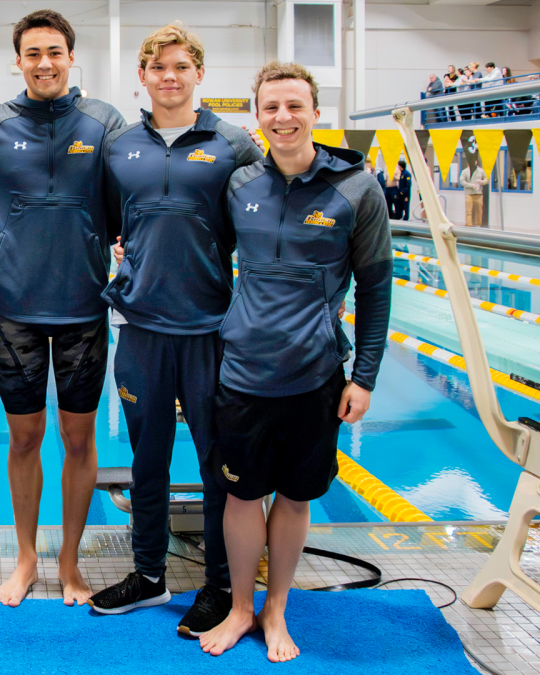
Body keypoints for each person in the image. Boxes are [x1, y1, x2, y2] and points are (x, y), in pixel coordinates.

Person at [199, 60, 391, 663]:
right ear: (257, 117)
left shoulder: (357, 188)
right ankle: (240, 608)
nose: (283, 118)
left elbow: (377, 288)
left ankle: (277, 608)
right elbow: (203, 253)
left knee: (296, 496)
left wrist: (363, 377)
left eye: (294, 106)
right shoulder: (239, 185)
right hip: (242, 373)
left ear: (314, 112)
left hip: (313, 375)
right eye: (271, 108)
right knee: (239, 495)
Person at [0, 9, 126, 608]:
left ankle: (69, 564)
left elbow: (136, 194)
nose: (45, 62)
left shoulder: (105, 123)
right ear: (17, 61)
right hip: (16, 309)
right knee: (23, 439)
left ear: (72, 58)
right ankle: (26, 560)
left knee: (78, 440)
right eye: (33, 53)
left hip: (82, 310)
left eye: (55, 52)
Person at [89, 23, 264, 635]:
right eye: (157, 66)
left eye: (181, 65)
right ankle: (149, 575)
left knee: (220, 464)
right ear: (142, 75)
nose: (169, 75)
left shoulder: (235, 144)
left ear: (198, 74)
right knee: (146, 461)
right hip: (140, 328)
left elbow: (264, 229)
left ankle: (219, 584)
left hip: (210, 330)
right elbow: (113, 221)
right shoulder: (119, 147)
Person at [460, 162, 488, 227]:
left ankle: (478, 224)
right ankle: (468, 225)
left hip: (478, 194)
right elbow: (462, 181)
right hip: (469, 194)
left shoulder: (481, 171)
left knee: (479, 211)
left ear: (476, 162)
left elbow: (486, 179)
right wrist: (471, 185)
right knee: (468, 211)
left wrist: (482, 182)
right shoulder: (464, 171)